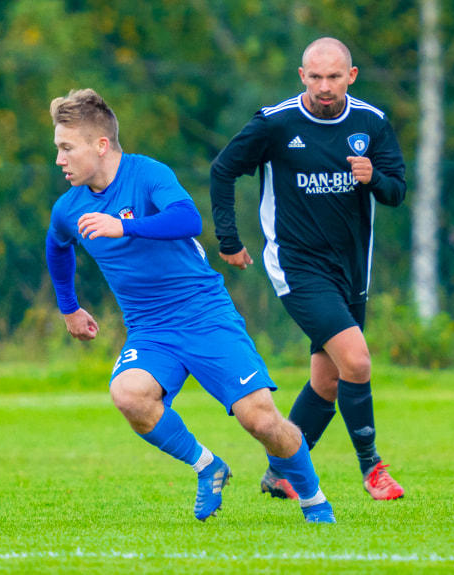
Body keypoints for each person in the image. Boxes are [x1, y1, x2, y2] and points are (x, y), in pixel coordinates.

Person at [45, 88, 335, 523]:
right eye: (58, 149)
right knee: (128, 394)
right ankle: (209, 467)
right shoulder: (69, 207)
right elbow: (57, 247)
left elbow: (188, 219)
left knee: (259, 419)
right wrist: (69, 306)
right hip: (150, 329)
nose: (59, 159)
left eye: (67, 148)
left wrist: (124, 226)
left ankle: (314, 500)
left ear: (100, 145)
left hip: (204, 314)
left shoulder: (147, 175)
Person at [210, 37, 407, 501]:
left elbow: (397, 190)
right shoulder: (274, 124)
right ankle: (372, 468)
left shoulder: (371, 123)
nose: (324, 86)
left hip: (352, 270)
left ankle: (281, 472)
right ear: (302, 76)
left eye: (334, 77)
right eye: (315, 76)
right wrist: (229, 240)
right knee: (356, 360)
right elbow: (223, 169)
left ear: (351, 77)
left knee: (329, 379)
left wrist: (373, 178)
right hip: (297, 266)